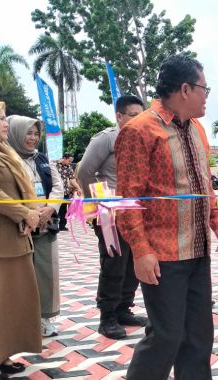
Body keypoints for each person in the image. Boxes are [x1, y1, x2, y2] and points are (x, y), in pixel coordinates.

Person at [115, 54, 218, 380]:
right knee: (166, 337)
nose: (207, 95)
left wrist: (217, 222)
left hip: (197, 251)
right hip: (163, 255)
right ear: (185, 89)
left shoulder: (197, 129)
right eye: (204, 88)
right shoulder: (140, 130)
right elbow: (127, 200)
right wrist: (140, 250)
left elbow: (204, 182)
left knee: (198, 338)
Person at [0, 101, 42, 380]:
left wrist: (30, 213)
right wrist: (24, 213)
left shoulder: (1, 150)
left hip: (13, 240)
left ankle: (0, 356)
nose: (5, 123)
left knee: (7, 305)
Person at [77, 95, 148, 339]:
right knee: (114, 261)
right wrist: (98, 203)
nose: (138, 120)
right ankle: (106, 316)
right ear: (119, 116)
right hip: (110, 211)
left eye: (141, 114)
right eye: (133, 115)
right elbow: (84, 171)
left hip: (137, 211)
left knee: (133, 261)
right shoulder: (107, 138)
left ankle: (123, 309)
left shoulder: (143, 138)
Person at [7, 115, 65, 337]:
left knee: (46, 272)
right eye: (27, 133)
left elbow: (58, 187)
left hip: (46, 223)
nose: (32, 138)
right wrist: (28, 214)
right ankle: (21, 320)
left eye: (35, 133)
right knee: (20, 275)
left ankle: (46, 318)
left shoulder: (43, 159)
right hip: (19, 226)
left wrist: (50, 208)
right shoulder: (7, 160)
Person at [55, 152, 82, 230]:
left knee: (63, 209)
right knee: (54, 209)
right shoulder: (54, 165)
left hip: (64, 191)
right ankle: (52, 225)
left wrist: (78, 188)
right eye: (69, 161)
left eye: (71, 161)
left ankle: (62, 226)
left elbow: (72, 179)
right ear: (64, 158)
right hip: (55, 190)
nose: (70, 163)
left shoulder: (69, 167)